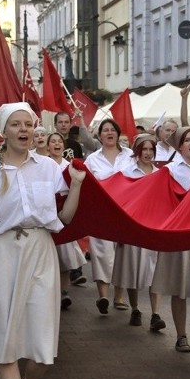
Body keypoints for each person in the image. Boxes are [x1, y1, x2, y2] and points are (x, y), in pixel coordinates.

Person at [0, 102, 85, 379]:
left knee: (43, 352)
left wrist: (76, 185)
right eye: (16, 124)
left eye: (27, 124)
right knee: (8, 349)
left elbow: (63, 217)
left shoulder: (48, 168)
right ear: (3, 131)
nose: (23, 129)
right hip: (2, 255)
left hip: (41, 252)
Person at [152, 126, 190, 354]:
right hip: (180, 234)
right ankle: (181, 335)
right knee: (180, 287)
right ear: (179, 145)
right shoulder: (169, 169)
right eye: (187, 140)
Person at [113, 134, 165, 331]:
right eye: (145, 150)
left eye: (152, 150)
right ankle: (135, 308)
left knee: (156, 272)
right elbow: (120, 200)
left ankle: (156, 313)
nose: (149, 153)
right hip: (133, 227)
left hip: (155, 227)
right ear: (138, 152)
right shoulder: (127, 172)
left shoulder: (161, 173)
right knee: (133, 270)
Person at [84, 119, 135, 314]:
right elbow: (87, 184)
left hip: (126, 210)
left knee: (122, 253)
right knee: (102, 253)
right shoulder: (93, 159)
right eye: (105, 130)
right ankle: (103, 296)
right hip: (102, 212)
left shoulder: (130, 156)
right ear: (99, 135)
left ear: (118, 133)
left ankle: (119, 296)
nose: (109, 133)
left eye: (112, 129)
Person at [47, 131, 87, 310]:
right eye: (53, 141)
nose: (56, 144)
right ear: (48, 146)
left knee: (64, 258)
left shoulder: (69, 165)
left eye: (59, 141)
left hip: (64, 213)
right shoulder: (44, 165)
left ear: (63, 146)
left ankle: (63, 292)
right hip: (48, 214)